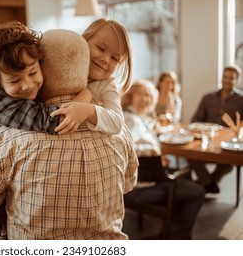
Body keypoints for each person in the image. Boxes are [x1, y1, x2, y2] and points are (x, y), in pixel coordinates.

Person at [0, 28, 138, 240]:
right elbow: (126, 185)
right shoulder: (120, 131)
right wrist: (88, 96)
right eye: (15, 80)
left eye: (33, 73)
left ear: (42, 66)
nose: (27, 84)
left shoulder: (11, 140)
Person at [122, 79, 205, 240]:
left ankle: (171, 230)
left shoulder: (139, 118)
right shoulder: (131, 120)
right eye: (141, 94)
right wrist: (154, 153)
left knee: (186, 180)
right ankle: (176, 236)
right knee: (198, 192)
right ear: (130, 96)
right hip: (139, 188)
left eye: (148, 95)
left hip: (144, 182)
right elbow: (126, 148)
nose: (145, 99)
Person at [51, 18, 133, 136]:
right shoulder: (65, 67)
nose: (105, 59)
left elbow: (117, 122)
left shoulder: (107, 85)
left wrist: (88, 111)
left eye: (115, 58)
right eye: (100, 48)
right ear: (83, 40)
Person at [190, 65, 243, 193]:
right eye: (225, 77)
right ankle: (209, 184)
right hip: (207, 140)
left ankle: (208, 182)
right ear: (221, 78)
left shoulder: (241, 100)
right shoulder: (208, 97)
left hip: (228, 143)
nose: (227, 80)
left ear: (237, 81)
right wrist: (202, 131)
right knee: (191, 156)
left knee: (229, 162)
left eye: (231, 78)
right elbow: (195, 120)